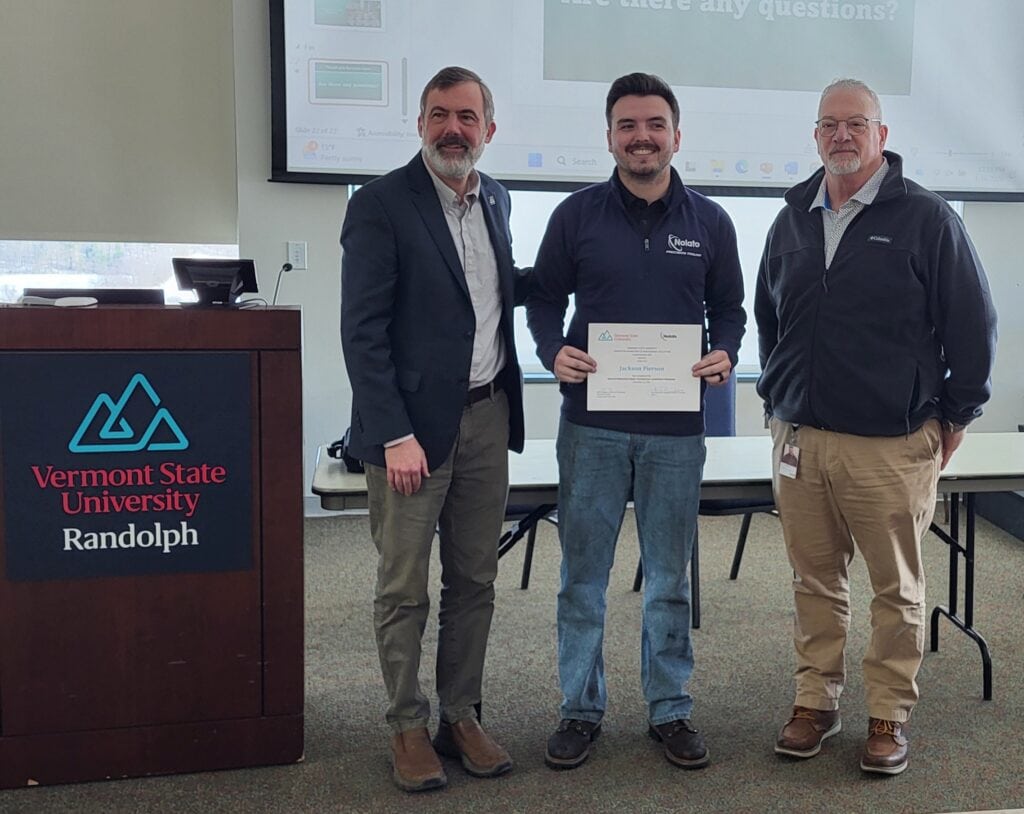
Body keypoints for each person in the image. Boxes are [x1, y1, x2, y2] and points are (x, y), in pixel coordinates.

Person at [755, 78, 997, 776]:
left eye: (856, 124)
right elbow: (771, 318)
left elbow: (972, 326)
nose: (842, 135)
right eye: (829, 124)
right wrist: (779, 400)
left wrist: (956, 414)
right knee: (814, 579)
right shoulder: (792, 218)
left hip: (890, 445)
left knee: (896, 588)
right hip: (802, 437)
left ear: (881, 136)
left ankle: (888, 714)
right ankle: (815, 702)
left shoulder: (926, 218)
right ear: (815, 135)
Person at [526, 73, 746, 771]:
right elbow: (541, 300)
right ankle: (580, 709)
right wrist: (549, 349)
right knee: (582, 576)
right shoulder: (575, 216)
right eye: (627, 125)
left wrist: (726, 351)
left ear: (676, 136)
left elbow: (731, 309)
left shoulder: (711, 221)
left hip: (676, 432)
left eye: (655, 124)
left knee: (669, 578)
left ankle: (670, 709)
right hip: (589, 425)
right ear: (610, 135)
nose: (642, 137)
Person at [340, 65, 529, 793]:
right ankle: (405, 725)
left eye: (468, 117)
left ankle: (461, 714)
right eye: (440, 115)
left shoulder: (499, 200)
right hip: (410, 435)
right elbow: (363, 333)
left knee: (476, 579)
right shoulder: (382, 205)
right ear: (421, 123)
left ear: (488, 128)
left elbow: (497, 294)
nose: (455, 129)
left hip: (488, 417)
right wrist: (392, 434)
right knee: (404, 587)